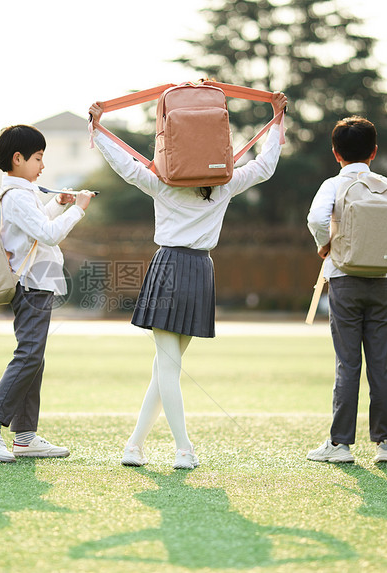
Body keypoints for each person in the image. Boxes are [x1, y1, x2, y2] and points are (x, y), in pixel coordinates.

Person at [88, 91, 288, 469]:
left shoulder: (165, 183)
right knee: (167, 366)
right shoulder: (224, 184)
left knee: (166, 366)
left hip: (170, 266)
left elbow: (126, 166)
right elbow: (265, 167)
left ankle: (138, 446)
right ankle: (179, 448)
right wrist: (278, 120)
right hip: (198, 269)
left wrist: (97, 131)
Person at [0, 124, 95, 462]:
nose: (42, 166)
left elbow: (35, 229)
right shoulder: (18, 196)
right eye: (38, 158)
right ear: (18, 158)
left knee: (33, 359)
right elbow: (50, 235)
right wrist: (78, 208)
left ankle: (24, 437)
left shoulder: (22, 196)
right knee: (28, 356)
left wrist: (58, 203)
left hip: (36, 284)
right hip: (31, 285)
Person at [305, 116, 387, 464]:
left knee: (348, 362)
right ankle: (385, 445)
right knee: (380, 362)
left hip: (343, 279)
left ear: (335, 153)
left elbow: (316, 219)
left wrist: (326, 245)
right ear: (374, 152)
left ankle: (340, 445)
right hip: (381, 281)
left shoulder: (332, 185)